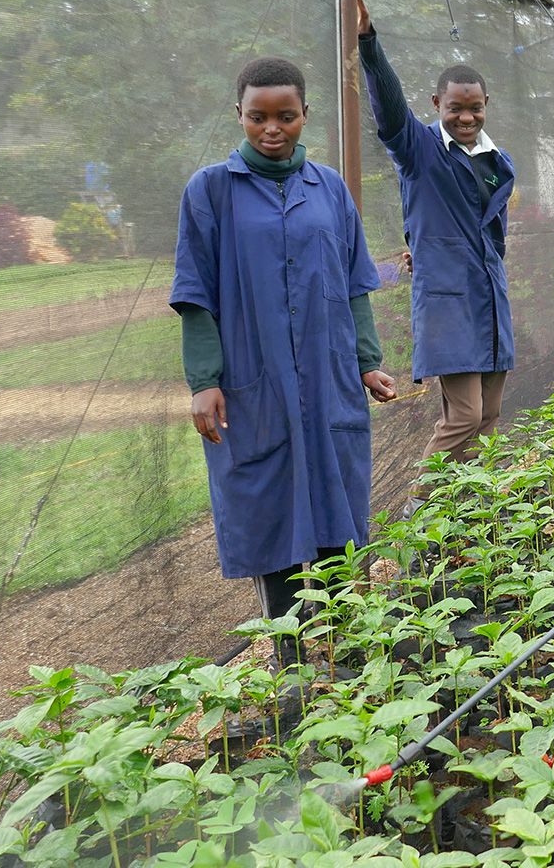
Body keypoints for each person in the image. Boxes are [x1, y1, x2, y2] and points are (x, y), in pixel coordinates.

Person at [171, 55, 399, 673]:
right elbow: (195, 294)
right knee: (267, 504)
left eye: (286, 116)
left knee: (335, 497)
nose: (272, 129)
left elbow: (354, 283)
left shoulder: (329, 188)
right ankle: (292, 657)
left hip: (327, 376)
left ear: (305, 115)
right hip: (254, 377)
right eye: (258, 117)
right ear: (238, 115)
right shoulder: (211, 191)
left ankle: (348, 647)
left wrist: (366, 362)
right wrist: (205, 382)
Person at [353, 0, 516, 467]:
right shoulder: (419, 149)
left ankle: (469, 516)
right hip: (448, 304)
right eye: (454, 107)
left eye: (474, 108)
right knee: (463, 416)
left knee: (489, 417)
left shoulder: (497, 163)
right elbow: (389, 110)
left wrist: (426, 245)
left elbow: (492, 235)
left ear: (486, 105)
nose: (465, 117)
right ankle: (422, 513)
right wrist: (369, 44)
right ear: (437, 104)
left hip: (489, 298)